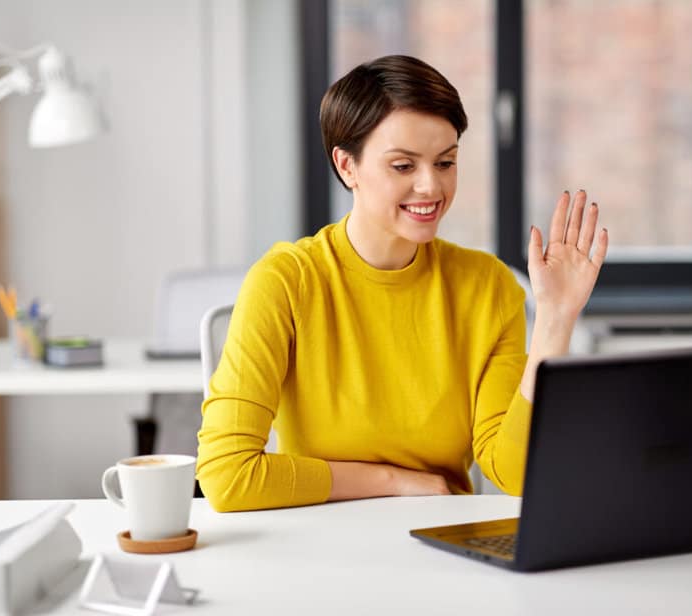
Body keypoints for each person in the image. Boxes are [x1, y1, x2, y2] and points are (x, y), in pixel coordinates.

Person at [196, 55, 608, 512]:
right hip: (318, 543)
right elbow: (226, 475)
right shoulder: (286, 282)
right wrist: (394, 481)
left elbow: (514, 475)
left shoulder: (488, 287)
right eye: (403, 166)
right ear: (347, 166)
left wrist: (555, 321)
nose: (431, 186)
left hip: (440, 542)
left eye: (445, 161)